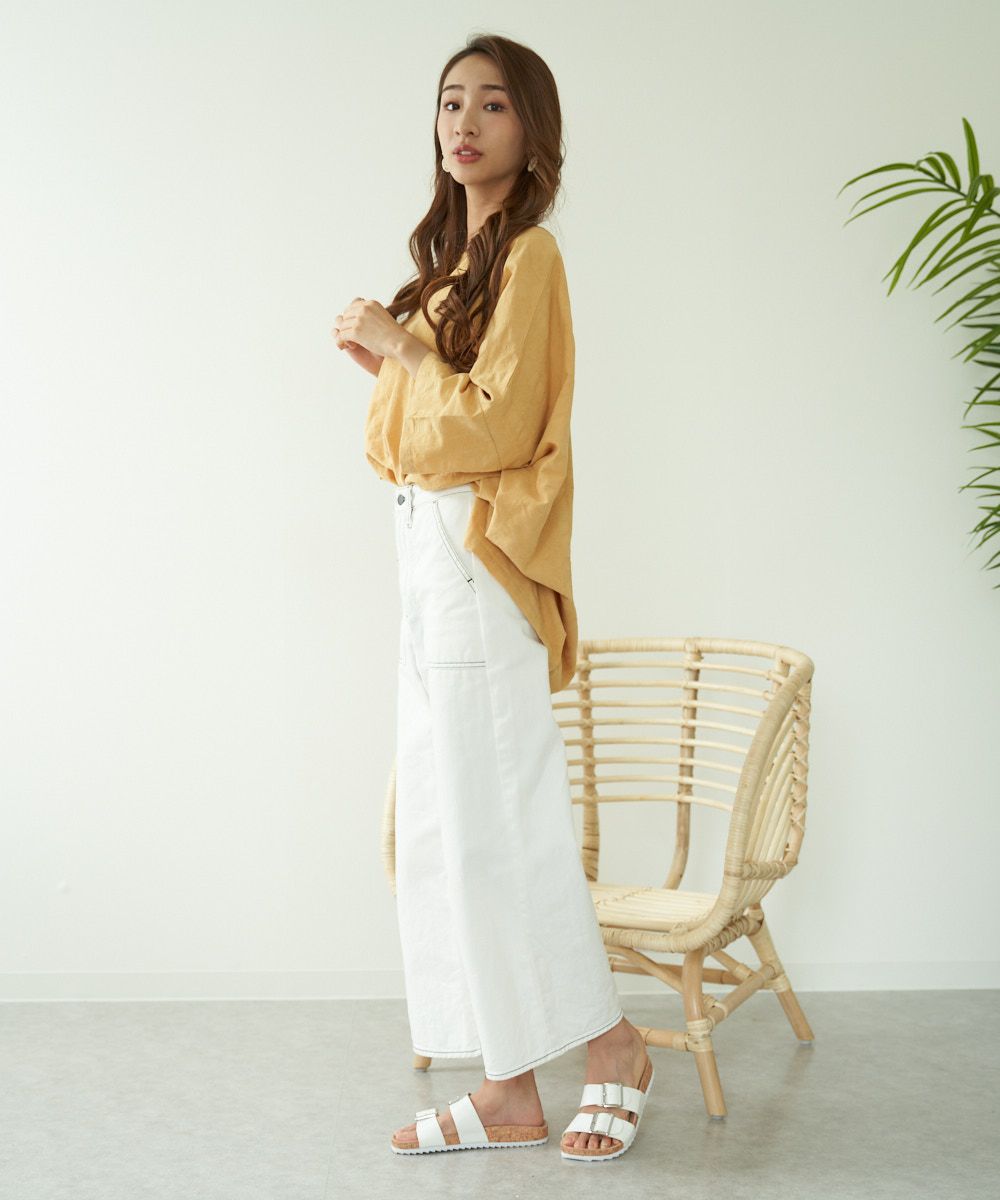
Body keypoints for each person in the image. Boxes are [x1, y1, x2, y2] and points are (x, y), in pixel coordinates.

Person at [332, 34, 654, 1163]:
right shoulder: (447, 270)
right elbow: (399, 447)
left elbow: (496, 427)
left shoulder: (532, 256)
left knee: (506, 825)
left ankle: (611, 1046)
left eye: (494, 105)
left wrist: (403, 354)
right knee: (445, 829)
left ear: (533, 131)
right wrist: (402, 358)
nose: (464, 123)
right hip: (424, 557)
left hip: (477, 560)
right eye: (450, 102)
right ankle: (508, 1084)